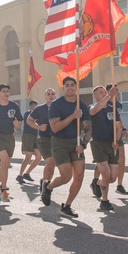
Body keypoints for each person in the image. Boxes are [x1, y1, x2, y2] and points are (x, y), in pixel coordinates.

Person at [41, 77, 90, 218]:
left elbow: (88, 129)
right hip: (59, 142)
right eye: (67, 85)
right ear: (63, 88)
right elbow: (55, 128)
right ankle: (48, 187)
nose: (70, 87)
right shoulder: (56, 105)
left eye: (72, 85)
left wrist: (83, 144)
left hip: (76, 144)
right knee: (66, 176)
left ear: (76, 87)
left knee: (79, 176)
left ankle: (67, 206)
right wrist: (73, 116)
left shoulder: (82, 105)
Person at [88, 85, 122, 212]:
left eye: (105, 92)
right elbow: (94, 111)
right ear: (95, 96)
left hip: (111, 144)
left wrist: (117, 140)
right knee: (106, 175)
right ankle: (105, 200)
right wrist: (109, 96)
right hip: (98, 144)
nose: (103, 94)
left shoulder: (112, 108)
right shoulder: (92, 107)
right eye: (100, 93)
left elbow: (118, 126)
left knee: (113, 178)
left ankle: (96, 183)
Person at [28, 88, 57, 195]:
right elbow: (29, 121)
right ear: (45, 97)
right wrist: (39, 127)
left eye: (53, 94)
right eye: (48, 94)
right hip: (44, 139)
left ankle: (47, 183)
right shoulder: (39, 109)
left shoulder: (59, 108)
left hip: (57, 139)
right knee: (50, 161)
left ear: (55, 96)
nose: (51, 96)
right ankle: (45, 184)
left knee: (53, 164)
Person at [17, 100, 42, 184]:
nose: (36, 108)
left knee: (38, 157)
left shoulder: (38, 115)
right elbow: (31, 122)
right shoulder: (27, 113)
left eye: (37, 106)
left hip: (35, 136)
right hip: (27, 135)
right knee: (28, 156)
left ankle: (27, 173)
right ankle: (19, 175)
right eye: (34, 106)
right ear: (31, 106)